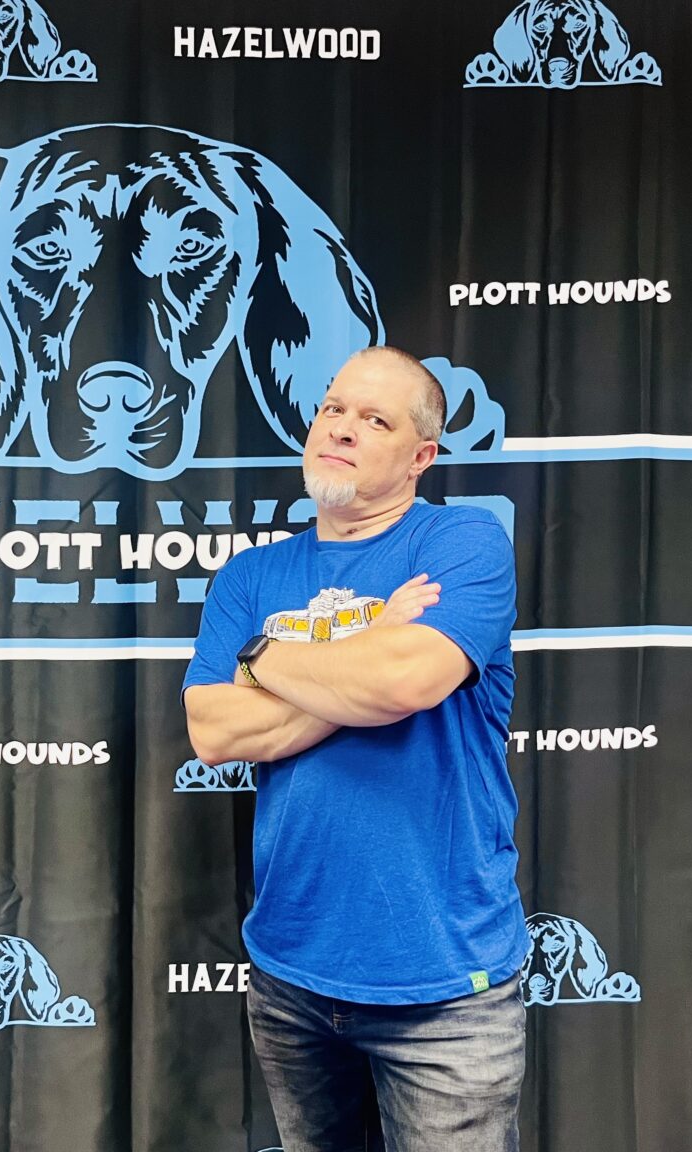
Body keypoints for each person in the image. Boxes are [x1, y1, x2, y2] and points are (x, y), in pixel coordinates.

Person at [182, 346, 527, 1152]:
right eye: (334, 409)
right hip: (292, 976)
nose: (341, 428)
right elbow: (213, 731)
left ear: (420, 458)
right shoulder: (251, 576)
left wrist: (262, 660)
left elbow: (404, 683)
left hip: (445, 988)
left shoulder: (461, 543)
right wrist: (367, 643)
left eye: (375, 420)